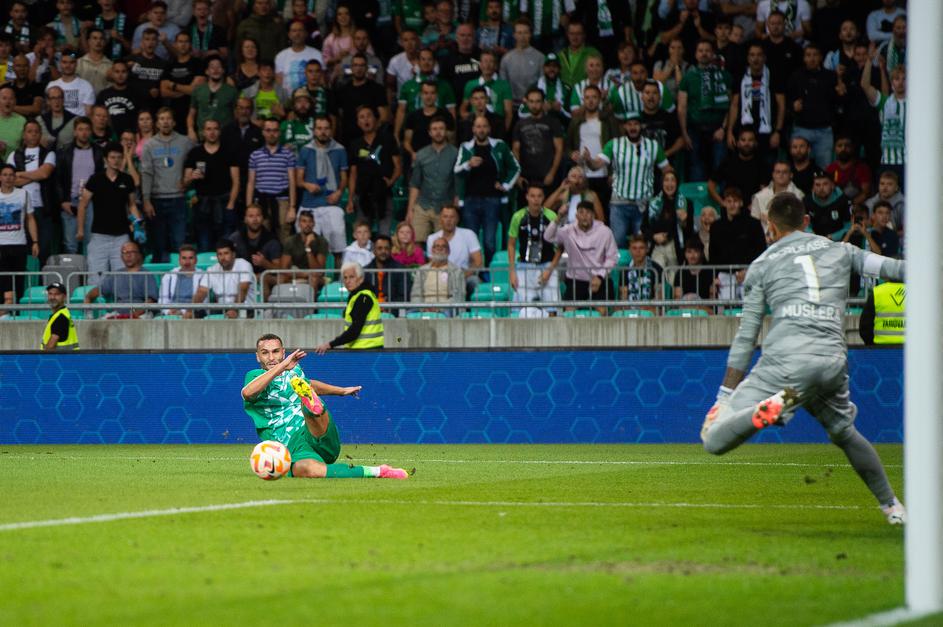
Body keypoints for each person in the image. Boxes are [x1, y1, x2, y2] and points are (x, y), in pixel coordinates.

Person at [700, 191, 906, 526]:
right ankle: (893, 508)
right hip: (831, 361)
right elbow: (893, 268)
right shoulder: (841, 249)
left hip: (785, 363)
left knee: (713, 439)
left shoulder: (762, 265)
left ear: (770, 227)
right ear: (806, 221)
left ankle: (769, 408)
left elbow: (747, 336)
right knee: (844, 432)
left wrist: (724, 396)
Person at [242, 333, 408, 479]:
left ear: (283, 352)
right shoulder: (255, 376)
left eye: (275, 351)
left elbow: (311, 384)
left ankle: (312, 409)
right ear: (258, 357)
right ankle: (380, 471)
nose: (271, 357)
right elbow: (248, 393)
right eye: (265, 353)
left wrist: (341, 391)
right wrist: (282, 366)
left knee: (306, 395)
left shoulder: (294, 370)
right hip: (294, 449)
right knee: (306, 470)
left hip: (315, 432)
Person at [584, 111, 670, 247]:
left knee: (643, 245)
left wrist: (662, 195)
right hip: (619, 204)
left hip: (644, 205)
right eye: (629, 124)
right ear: (624, 126)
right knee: (617, 244)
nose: (632, 127)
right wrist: (588, 160)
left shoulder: (653, 146)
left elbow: (668, 171)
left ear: (641, 126)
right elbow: (596, 166)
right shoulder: (614, 144)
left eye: (636, 124)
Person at [453, 113, 520, 265]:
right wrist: (468, 164)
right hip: (470, 200)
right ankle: (474, 272)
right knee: (471, 241)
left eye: (484, 126)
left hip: (492, 200)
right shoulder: (466, 147)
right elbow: (456, 170)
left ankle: (489, 272)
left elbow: (515, 167)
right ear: (473, 129)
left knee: (490, 241)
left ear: (489, 129)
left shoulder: (500, 146)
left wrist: (506, 185)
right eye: (478, 126)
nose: (481, 129)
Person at [76, 142, 142, 279]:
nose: (116, 160)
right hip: (99, 236)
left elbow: (132, 205)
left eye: (119, 157)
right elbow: (83, 205)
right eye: (112, 157)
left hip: (121, 236)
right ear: (105, 159)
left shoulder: (127, 179)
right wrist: (80, 229)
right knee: (96, 278)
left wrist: (138, 226)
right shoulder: (95, 179)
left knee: (122, 278)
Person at [544, 200, 618, 314]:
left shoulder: (605, 232)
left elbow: (612, 257)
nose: (584, 216)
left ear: (593, 215)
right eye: (581, 212)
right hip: (575, 280)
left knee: (602, 312)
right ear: (576, 215)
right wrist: (559, 217)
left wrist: (600, 276)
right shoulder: (568, 230)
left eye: (588, 213)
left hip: (599, 279)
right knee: (568, 313)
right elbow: (548, 237)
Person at [141, 107, 194, 262]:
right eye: (162, 119)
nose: (165, 122)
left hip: (178, 198)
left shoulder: (185, 142)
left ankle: (181, 274)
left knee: (180, 242)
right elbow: (146, 173)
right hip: (157, 199)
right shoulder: (149, 145)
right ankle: (161, 275)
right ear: (157, 123)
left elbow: (194, 162)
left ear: (174, 122)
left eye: (168, 118)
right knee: (159, 244)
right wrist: (146, 200)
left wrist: (188, 182)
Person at [295, 115, 348, 267]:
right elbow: (298, 180)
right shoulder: (305, 150)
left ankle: (339, 279)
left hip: (332, 204)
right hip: (309, 204)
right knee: (309, 247)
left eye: (326, 128)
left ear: (331, 130)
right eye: (319, 128)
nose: (323, 132)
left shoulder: (340, 150)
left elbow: (344, 177)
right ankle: (313, 279)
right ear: (314, 130)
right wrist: (307, 185)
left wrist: (339, 192)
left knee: (338, 247)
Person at [678, 39, 731, 183]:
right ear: (695, 54)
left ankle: (720, 196)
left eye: (707, 50)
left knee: (719, 166)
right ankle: (699, 197)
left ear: (713, 54)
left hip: (718, 129)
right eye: (700, 51)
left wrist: (723, 128)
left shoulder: (724, 76)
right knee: (696, 167)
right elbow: (682, 107)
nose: (704, 54)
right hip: (695, 130)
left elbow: (730, 104)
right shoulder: (688, 77)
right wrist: (684, 133)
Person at [185, 118, 239, 252]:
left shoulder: (229, 151)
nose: (212, 132)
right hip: (202, 204)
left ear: (220, 131)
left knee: (225, 246)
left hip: (224, 201)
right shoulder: (195, 153)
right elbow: (184, 182)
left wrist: (231, 204)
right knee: (204, 245)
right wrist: (191, 177)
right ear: (203, 132)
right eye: (208, 129)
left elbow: (236, 181)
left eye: (215, 129)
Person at [346, 106, 400, 236]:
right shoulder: (355, 144)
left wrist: (390, 181)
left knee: (384, 236)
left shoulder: (388, 139)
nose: (366, 120)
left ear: (376, 119)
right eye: (362, 117)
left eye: (368, 116)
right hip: (363, 195)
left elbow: (398, 166)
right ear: (358, 123)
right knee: (362, 236)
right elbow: (353, 174)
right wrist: (350, 199)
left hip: (384, 194)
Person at [507, 184, 560, 313]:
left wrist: (550, 269)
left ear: (543, 198)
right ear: (527, 197)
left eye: (539, 196)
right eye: (532, 196)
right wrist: (512, 272)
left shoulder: (552, 216)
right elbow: (511, 244)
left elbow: (560, 246)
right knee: (520, 309)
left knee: (552, 308)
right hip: (524, 266)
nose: (536, 199)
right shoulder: (518, 217)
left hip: (547, 265)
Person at [9, 120, 56, 263]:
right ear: (24, 134)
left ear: (40, 134)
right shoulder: (14, 155)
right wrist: (35, 175)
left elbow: (44, 174)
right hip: (21, 208)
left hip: (43, 207)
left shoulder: (49, 153)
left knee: (44, 248)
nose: (33, 134)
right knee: (24, 248)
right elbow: (11, 180)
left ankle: (43, 277)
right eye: (30, 131)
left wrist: (20, 174)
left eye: (36, 131)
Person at [406, 115, 457, 244]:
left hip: (445, 207)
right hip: (423, 205)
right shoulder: (421, 154)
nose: (438, 132)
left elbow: (458, 183)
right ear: (429, 132)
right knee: (415, 243)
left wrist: (455, 208)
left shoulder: (455, 154)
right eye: (434, 129)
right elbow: (415, 184)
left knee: (443, 244)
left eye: (441, 128)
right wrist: (410, 210)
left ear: (446, 131)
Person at [246, 117, 297, 243]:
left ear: (279, 133)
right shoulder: (255, 155)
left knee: (285, 236)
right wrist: (249, 208)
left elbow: (292, 182)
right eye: (268, 130)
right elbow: (251, 183)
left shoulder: (288, 154)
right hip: (261, 201)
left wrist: (292, 207)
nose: (271, 134)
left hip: (282, 201)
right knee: (261, 236)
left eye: (275, 130)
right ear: (263, 132)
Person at [710, 186, 766, 301]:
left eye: (735, 201)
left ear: (741, 203)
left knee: (750, 307)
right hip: (724, 276)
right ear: (724, 203)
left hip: (749, 274)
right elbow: (713, 253)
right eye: (729, 201)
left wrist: (748, 271)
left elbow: (760, 251)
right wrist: (714, 277)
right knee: (726, 308)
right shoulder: (716, 226)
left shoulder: (753, 224)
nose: (732, 205)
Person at [315, 261, 384, 352]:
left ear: (360, 279)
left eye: (351, 277)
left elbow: (355, 330)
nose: (347, 281)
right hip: (363, 350)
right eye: (345, 278)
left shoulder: (363, 297)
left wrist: (330, 344)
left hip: (367, 351)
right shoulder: (358, 296)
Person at [82, 240, 159, 318]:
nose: (128, 255)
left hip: (141, 314)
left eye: (131, 252)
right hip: (118, 313)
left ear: (139, 255)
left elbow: (151, 300)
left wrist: (135, 314)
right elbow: (99, 290)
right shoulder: (116, 275)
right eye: (124, 252)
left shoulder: (146, 274)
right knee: (102, 321)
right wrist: (88, 297)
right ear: (121, 257)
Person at [0, 162, 37, 316]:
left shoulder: (23, 194)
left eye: (11, 175)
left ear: (15, 178)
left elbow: (30, 218)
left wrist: (35, 241)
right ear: (0, 177)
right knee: (3, 280)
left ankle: (16, 314)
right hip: (1, 245)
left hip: (19, 244)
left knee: (18, 281)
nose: (8, 178)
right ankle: (5, 311)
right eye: (5, 175)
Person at [512, 87, 564, 194]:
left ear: (543, 102)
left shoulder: (553, 122)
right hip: (526, 177)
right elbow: (515, 150)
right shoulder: (519, 124)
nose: (534, 105)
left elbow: (559, 149)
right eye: (531, 101)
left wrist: (552, 173)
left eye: (537, 101)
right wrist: (518, 175)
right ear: (527, 102)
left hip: (547, 176)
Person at [425, 204, 483, 296]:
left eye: (452, 217)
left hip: (464, 276)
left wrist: (461, 275)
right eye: (445, 216)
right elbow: (433, 264)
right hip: (442, 278)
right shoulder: (432, 238)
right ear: (440, 219)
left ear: (457, 219)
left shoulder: (468, 234)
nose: (448, 220)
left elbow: (478, 262)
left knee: (475, 281)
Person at [193, 238, 255, 318]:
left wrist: (234, 309)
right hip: (222, 308)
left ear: (233, 254)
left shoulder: (244, 265)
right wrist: (190, 310)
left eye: (226, 253)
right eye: (220, 254)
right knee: (197, 313)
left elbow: (243, 290)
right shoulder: (212, 269)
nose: (223, 257)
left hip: (244, 307)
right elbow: (202, 291)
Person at [708, 127, 769, 207]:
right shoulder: (728, 161)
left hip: (752, 208)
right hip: (731, 207)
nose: (746, 143)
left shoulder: (761, 163)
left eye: (750, 140)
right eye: (743, 140)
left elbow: (764, 190)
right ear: (737, 143)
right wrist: (723, 203)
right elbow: (711, 185)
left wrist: (755, 206)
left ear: (755, 143)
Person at [409, 236, 465, 314]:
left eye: (443, 246)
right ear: (432, 250)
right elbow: (415, 295)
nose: (440, 248)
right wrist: (423, 307)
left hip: (446, 308)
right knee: (407, 315)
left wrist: (438, 307)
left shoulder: (456, 271)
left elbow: (458, 296)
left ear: (448, 251)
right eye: (437, 246)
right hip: (423, 307)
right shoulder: (422, 270)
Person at [751, 160, 804, 239]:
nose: (781, 175)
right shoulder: (759, 196)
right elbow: (753, 223)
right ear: (773, 174)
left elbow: (798, 223)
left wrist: (768, 219)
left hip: (790, 239)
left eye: (784, 172)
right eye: (778, 172)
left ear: (791, 175)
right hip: (763, 240)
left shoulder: (798, 196)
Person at [278, 208, 327, 292]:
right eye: (304, 221)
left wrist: (308, 248)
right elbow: (283, 269)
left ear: (314, 224)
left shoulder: (321, 241)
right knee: (280, 278)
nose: (307, 224)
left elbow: (318, 271)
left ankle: (311, 301)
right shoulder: (290, 241)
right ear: (299, 224)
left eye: (310, 221)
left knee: (313, 278)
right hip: (296, 273)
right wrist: (305, 274)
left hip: (315, 277)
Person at [499, 18, 543, 103]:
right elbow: (503, 86)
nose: (522, 36)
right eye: (519, 33)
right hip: (512, 104)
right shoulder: (506, 59)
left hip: (533, 105)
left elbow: (542, 84)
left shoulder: (540, 58)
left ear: (530, 34)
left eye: (525, 33)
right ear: (514, 35)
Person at [158, 243, 203, 317]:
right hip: (171, 314)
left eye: (190, 258)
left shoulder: (203, 276)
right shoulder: (168, 276)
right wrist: (168, 311)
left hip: (194, 314)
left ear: (196, 260)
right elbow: (162, 300)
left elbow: (203, 302)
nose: (187, 262)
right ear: (179, 260)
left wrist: (182, 311)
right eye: (184, 258)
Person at [364, 234, 408, 309]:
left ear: (391, 250)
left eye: (386, 248)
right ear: (374, 250)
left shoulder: (400, 270)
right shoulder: (366, 271)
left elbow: (404, 296)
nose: (383, 251)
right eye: (380, 248)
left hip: (394, 312)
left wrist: (387, 304)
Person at [805, 170, 851, 242]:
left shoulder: (843, 200)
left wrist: (833, 237)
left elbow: (849, 226)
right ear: (813, 187)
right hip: (813, 241)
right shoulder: (807, 201)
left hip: (838, 242)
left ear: (832, 185)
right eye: (817, 185)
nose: (821, 188)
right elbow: (804, 224)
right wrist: (812, 235)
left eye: (825, 184)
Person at [859, 281, 904, 346]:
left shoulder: (877, 292)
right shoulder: (916, 292)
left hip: (880, 348)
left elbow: (865, 327)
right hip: (911, 349)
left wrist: (871, 346)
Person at [41, 281, 78, 349]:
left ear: (64, 297)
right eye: (50, 294)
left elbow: (50, 347)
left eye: (57, 294)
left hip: (60, 356)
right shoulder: (63, 313)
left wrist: (42, 355)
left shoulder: (60, 317)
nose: (52, 297)